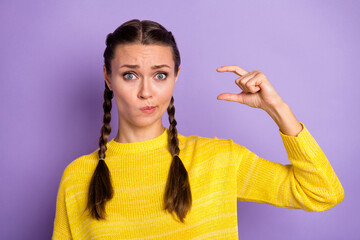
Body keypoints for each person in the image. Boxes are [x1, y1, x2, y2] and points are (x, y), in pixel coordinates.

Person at [52, 19, 344, 240]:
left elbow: (322, 193)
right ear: (108, 77)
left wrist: (277, 109)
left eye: (160, 75)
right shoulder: (78, 178)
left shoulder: (218, 159)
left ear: (176, 76)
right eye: (130, 75)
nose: (146, 92)